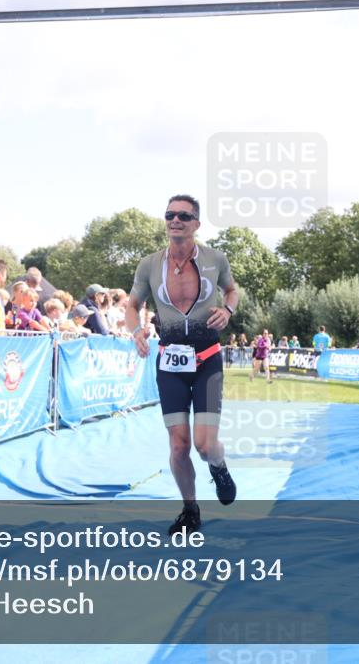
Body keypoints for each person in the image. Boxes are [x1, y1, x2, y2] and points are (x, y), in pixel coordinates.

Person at [125, 193, 238, 535]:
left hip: (207, 361)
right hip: (170, 363)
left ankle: (218, 466)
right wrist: (136, 332)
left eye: (184, 216)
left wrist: (228, 310)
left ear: (196, 224)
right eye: (170, 214)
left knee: (204, 445)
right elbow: (132, 305)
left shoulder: (215, 258)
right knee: (178, 444)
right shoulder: (149, 264)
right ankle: (190, 510)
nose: (175, 220)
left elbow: (232, 291)